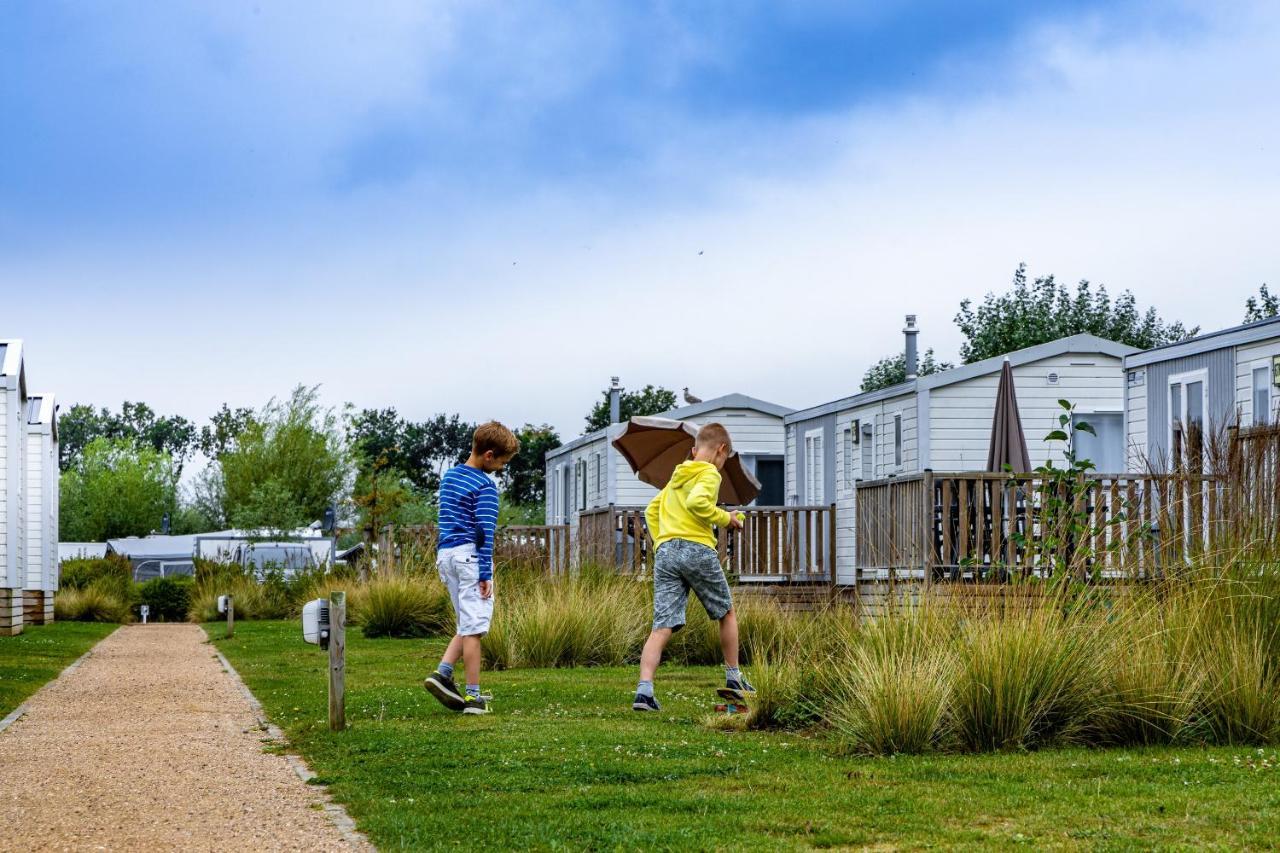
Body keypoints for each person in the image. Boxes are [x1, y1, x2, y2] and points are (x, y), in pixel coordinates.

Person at [632, 422, 752, 711]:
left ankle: (644, 691)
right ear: (721, 450)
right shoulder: (709, 473)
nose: (722, 465)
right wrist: (727, 519)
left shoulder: (675, 479)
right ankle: (734, 678)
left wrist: (663, 542)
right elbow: (699, 504)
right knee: (726, 612)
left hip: (667, 553)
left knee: (661, 625)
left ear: (694, 450)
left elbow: (651, 511)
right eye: (725, 459)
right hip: (697, 548)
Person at [424, 421, 520, 715]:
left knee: (466, 623)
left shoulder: (450, 477)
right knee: (475, 628)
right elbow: (484, 532)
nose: (501, 469)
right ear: (489, 456)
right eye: (502, 462)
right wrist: (485, 573)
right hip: (470, 557)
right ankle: (474, 697)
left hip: (447, 555)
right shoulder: (485, 486)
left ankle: (442, 674)